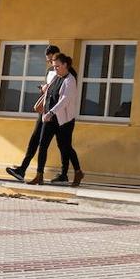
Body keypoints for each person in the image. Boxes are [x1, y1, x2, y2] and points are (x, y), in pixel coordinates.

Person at [6, 45, 59, 182]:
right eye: (48, 60)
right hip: (44, 111)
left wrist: (49, 89)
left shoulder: (66, 72)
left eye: (51, 59)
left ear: (57, 55)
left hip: (56, 114)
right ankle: (22, 169)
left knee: (63, 145)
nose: (50, 63)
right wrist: (43, 89)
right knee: (35, 139)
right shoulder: (49, 71)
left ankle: (66, 173)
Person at [32, 52, 84, 187]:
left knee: (66, 147)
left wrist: (51, 112)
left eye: (57, 66)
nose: (55, 69)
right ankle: (39, 175)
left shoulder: (70, 80)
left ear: (65, 65)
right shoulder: (55, 78)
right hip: (49, 118)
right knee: (42, 145)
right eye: (54, 66)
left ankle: (78, 172)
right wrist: (45, 111)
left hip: (64, 120)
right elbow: (49, 95)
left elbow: (64, 100)